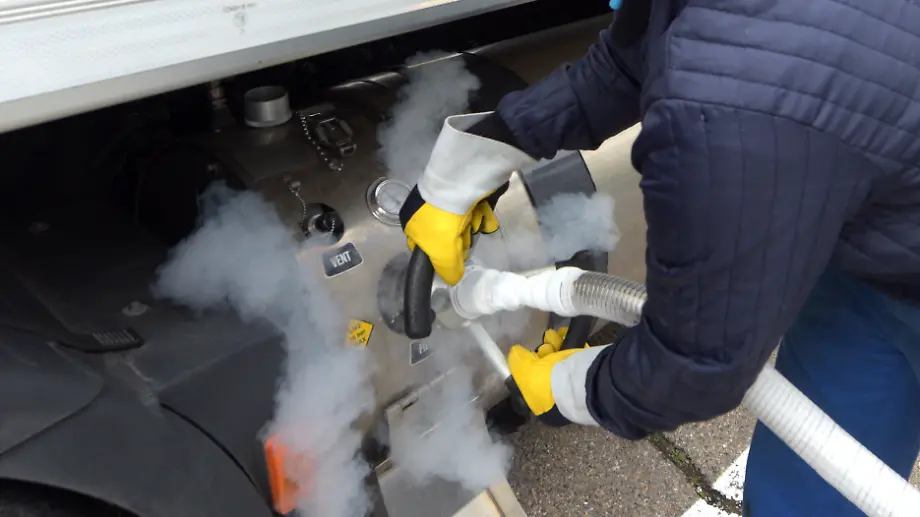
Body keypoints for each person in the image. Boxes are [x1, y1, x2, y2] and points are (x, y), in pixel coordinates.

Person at [398, 0, 920, 515]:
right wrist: (469, 164)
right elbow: (629, 60)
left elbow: (697, 362)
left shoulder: (731, 100)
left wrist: (569, 388)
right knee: (806, 494)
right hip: (877, 248)